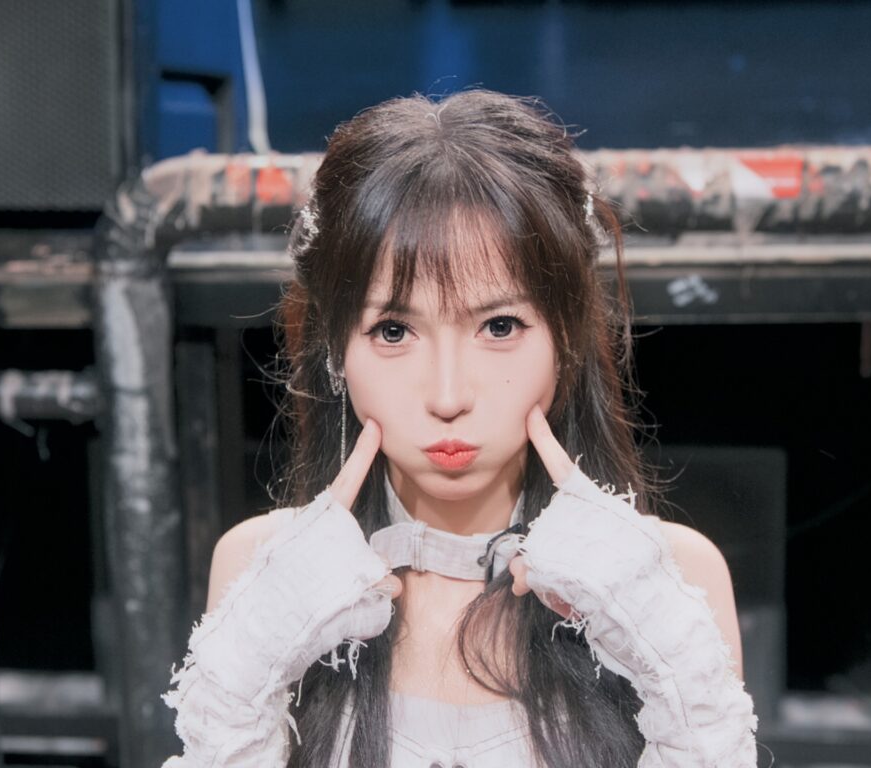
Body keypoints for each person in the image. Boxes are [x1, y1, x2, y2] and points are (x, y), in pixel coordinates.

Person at [161, 89, 758, 767]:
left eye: (499, 326)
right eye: (393, 331)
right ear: (334, 352)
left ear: (564, 342)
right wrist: (256, 654)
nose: (448, 397)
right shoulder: (261, 571)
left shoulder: (673, 580)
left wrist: (662, 644)